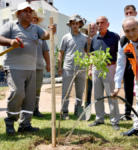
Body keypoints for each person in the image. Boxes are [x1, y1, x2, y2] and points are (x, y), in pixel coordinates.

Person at [0, 1, 55, 135]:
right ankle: (10, 122)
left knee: (30, 97)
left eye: (30, 11)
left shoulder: (35, 28)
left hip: (31, 68)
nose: (29, 14)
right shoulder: (10, 25)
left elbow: (45, 35)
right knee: (18, 93)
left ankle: (25, 125)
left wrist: (51, 31)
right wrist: (11, 42)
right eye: (25, 11)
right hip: (14, 67)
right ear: (18, 13)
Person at [111, 16, 138, 141]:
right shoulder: (123, 42)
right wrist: (117, 86)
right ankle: (137, 128)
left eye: (134, 29)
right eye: (127, 31)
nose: (131, 33)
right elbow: (120, 65)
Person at [88, 16, 120, 131]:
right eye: (97, 23)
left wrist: (117, 68)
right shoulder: (94, 38)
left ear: (108, 24)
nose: (99, 25)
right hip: (96, 68)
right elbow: (91, 55)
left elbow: (119, 53)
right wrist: (90, 69)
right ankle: (99, 118)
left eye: (102, 23)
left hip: (109, 67)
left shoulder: (115, 36)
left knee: (112, 94)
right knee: (97, 95)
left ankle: (115, 120)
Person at [120, 5, 138, 121]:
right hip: (131, 62)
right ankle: (129, 114)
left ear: (136, 13)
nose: (129, 14)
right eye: (126, 13)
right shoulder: (123, 28)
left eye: (130, 12)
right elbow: (123, 48)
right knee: (132, 90)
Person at [58, 14, 87, 120]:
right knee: (66, 92)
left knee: (80, 92)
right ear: (70, 24)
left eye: (77, 23)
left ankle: (78, 111)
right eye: (73, 23)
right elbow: (61, 52)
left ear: (80, 24)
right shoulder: (65, 37)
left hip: (81, 68)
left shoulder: (85, 38)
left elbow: (88, 53)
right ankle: (64, 112)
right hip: (68, 68)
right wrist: (59, 66)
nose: (75, 25)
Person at [31, 12, 50, 117]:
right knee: (26, 89)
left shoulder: (41, 35)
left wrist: (48, 63)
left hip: (39, 66)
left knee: (37, 89)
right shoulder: (25, 32)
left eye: (35, 20)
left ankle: (35, 109)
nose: (33, 22)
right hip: (27, 66)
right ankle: (25, 110)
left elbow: (45, 50)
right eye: (32, 20)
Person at [87, 23, 97, 106]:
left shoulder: (99, 39)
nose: (92, 30)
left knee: (98, 90)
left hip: (98, 68)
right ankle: (87, 107)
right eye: (90, 28)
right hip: (87, 68)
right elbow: (86, 52)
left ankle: (100, 109)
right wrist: (88, 44)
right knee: (88, 89)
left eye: (94, 28)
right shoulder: (85, 39)